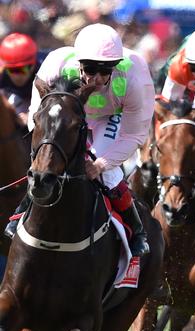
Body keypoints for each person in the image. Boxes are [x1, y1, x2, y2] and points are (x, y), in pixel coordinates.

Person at [6, 23, 153, 257]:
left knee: (106, 172)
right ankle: (21, 211)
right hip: (69, 116)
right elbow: (37, 115)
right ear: (79, 64)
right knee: (46, 162)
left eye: (105, 71)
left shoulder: (135, 77)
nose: (96, 78)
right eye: (90, 69)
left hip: (110, 118)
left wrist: (100, 164)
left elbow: (134, 134)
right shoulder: (57, 64)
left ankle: (138, 231)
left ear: (115, 66)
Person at [0, 32, 44, 125]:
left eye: (22, 69)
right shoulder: (1, 72)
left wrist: (33, 114)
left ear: (33, 65)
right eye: (12, 70)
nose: (17, 76)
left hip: (42, 99)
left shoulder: (45, 68)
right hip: (16, 98)